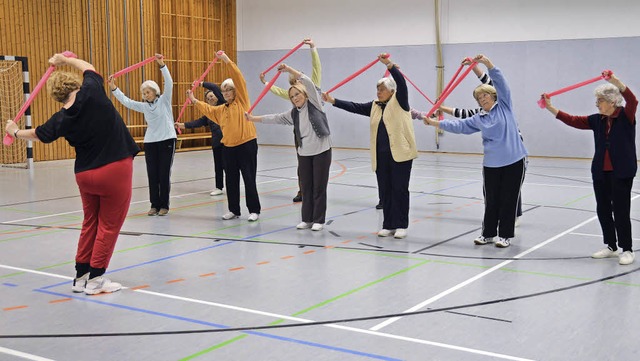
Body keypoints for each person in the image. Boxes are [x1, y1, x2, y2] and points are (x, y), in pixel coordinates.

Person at [5, 53, 139, 295]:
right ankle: (97, 279)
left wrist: (15, 132)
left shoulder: (62, 118)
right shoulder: (92, 90)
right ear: (74, 83)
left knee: (90, 223)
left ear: (57, 97)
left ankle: (81, 275)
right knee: (109, 225)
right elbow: (88, 66)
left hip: (85, 175)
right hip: (113, 169)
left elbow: (39, 133)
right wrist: (62, 59)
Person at [421, 54, 527, 248]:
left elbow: (500, 82)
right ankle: (487, 234)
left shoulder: (504, 106)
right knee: (491, 200)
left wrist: (487, 64)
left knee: (509, 199)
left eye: (485, 95)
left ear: (493, 95)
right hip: (492, 164)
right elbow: (459, 126)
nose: (482, 98)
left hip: (514, 161)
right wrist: (434, 122)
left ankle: (505, 236)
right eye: (479, 97)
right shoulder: (479, 118)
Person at [541, 72, 637, 265]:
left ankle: (627, 249)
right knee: (603, 209)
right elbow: (573, 120)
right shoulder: (597, 120)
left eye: (600, 101)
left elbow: (632, 99)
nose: (597, 104)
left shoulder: (626, 116)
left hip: (622, 172)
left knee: (620, 211)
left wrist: (615, 81)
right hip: (600, 172)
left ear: (612, 102)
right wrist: (551, 107)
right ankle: (611, 246)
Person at [322, 54, 417, 239]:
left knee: (399, 189)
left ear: (391, 91)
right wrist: (333, 101)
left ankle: (401, 225)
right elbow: (355, 107)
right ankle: (388, 224)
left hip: (401, 155)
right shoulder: (374, 105)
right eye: (377, 89)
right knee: (385, 191)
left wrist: (389, 66)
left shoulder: (400, 101)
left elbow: (401, 82)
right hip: (381, 157)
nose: (378, 92)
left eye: (381, 89)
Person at [247, 64, 331, 231]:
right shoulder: (294, 113)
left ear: (305, 94)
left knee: (319, 188)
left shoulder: (315, 103)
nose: (295, 98)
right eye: (292, 96)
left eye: (297, 94)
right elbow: (275, 118)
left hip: (321, 151)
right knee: (306, 187)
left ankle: (319, 220)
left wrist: (290, 70)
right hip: (304, 152)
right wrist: (252, 118)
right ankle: (307, 219)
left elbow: (307, 81)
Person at [187, 50, 261, 222]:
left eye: (229, 90)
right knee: (231, 180)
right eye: (224, 91)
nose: (226, 93)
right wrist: (194, 100)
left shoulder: (242, 101)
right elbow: (209, 110)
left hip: (247, 145)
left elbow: (238, 77)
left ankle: (254, 210)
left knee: (249, 178)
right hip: (229, 147)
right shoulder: (221, 110)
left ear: (235, 91)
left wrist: (226, 60)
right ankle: (234, 210)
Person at [109, 54, 176, 217]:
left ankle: (164, 205)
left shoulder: (164, 101)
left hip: (167, 139)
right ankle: (154, 205)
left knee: (163, 174)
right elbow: (127, 102)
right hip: (151, 142)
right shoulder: (144, 107)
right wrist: (113, 88)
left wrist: (162, 66)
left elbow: (169, 83)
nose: (146, 95)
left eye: (148, 92)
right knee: (152, 174)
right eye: (143, 93)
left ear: (155, 92)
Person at [260, 38, 320, 204]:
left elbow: (316, 69)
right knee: (302, 162)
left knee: (318, 163)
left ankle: (316, 191)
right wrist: (266, 82)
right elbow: (279, 91)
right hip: (300, 131)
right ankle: (303, 190)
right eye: (294, 82)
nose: (297, 83)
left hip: (316, 130)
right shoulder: (293, 94)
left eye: (298, 79)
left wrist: (313, 48)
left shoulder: (313, 88)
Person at [176, 81, 226, 196]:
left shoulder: (223, 106)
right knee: (218, 166)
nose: (211, 99)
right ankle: (219, 187)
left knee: (229, 166)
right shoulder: (209, 114)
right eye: (208, 99)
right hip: (216, 143)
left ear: (217, 97)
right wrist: (182, 125)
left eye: (212, 96)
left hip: (228, 141)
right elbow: (197, 122)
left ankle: (232, 187)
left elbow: (214, 86)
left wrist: (200, 83)